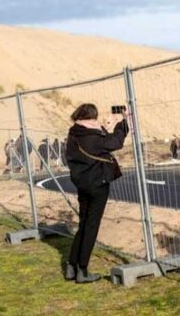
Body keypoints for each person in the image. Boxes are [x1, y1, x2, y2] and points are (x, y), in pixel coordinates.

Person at [63, 103, 128, 283]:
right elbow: (116, 142)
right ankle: (82, 270)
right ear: (92, 117)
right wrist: (122, 123)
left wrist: (105, 128)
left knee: (83, 224)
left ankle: (71, 266)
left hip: (81, 184)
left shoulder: (74, 133)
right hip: (97, 184)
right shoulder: (93, 135)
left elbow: (100, 143)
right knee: (91, 226)